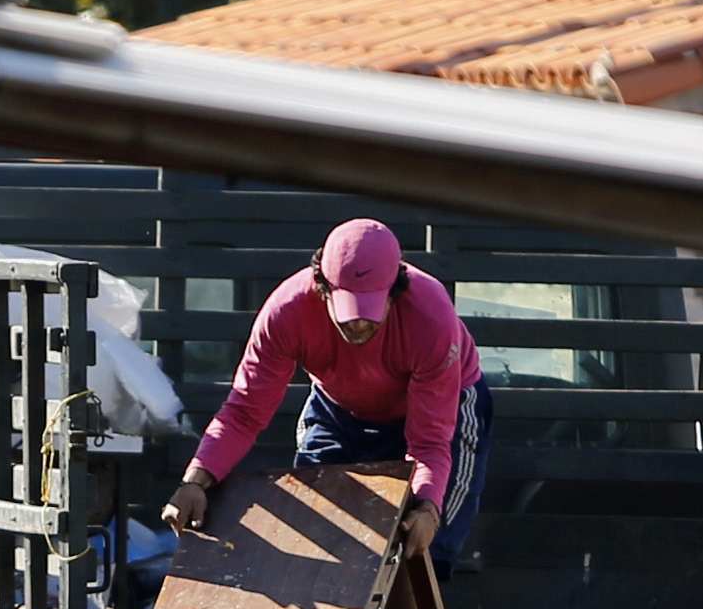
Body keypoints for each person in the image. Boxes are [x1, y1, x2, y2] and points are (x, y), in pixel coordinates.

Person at [159, 217, 493, 567]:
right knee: (316, 528)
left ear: (395, 293)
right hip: (339, 406)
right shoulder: (286, 313)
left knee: (424, 548)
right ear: (322, 287)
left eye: (371, 310)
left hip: (441, 408)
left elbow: (429, 442)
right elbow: (244, 412)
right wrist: (195, 481)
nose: (359, 324)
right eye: (349, 310)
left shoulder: (431, 318)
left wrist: (427, 508)